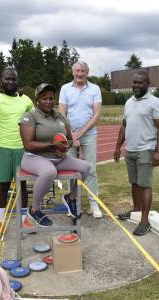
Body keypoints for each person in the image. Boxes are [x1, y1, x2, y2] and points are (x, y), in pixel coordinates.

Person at [19, 83, 90, 226]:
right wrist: (52, 145)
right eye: (44, 98)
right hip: (34, 157)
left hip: (58, 157)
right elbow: (28, 144)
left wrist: (64, 146)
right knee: (49, 172)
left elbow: (70, 139)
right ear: (37, 100)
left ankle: (70, 198)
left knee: (86, 167)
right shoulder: (30, 116)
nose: (48, 101)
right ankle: (34, 209)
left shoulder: (60, 116)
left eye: (51, 98)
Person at [113, 71, 159, 236]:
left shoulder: (155, 102)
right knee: (134, 183)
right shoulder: (128, 102)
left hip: (146, 149)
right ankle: (135, 211)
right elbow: (124, 125)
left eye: (140, 83)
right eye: (134, 82)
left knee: (144, 184)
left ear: (147, 84)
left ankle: (144, 221)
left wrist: (158, 152)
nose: (136, 85)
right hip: (130, 150)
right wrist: (117, 147)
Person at [0, 68, 34, 238]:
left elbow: (33, 121)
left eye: (13, 79)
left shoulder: (26, 100)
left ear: (18, 81)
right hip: (3, 148)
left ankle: (24, 220)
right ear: (1, 81)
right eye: (7, 79)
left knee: (22, 186)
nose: (10, 82)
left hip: (22, 149)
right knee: (3, 186)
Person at [58, 61, 103, 219]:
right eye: (77, 71)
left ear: (87, 72)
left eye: (83, 71)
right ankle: (74, 202)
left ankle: (93, 203)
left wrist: (82, 132)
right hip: (69, 135)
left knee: (90, 169)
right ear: (73, 72)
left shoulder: (95, 89)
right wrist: (71, 134)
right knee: (71, 171)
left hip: (89, 134)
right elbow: (62, 112)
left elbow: (97, 113)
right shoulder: (65, 88)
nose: (80, 73)